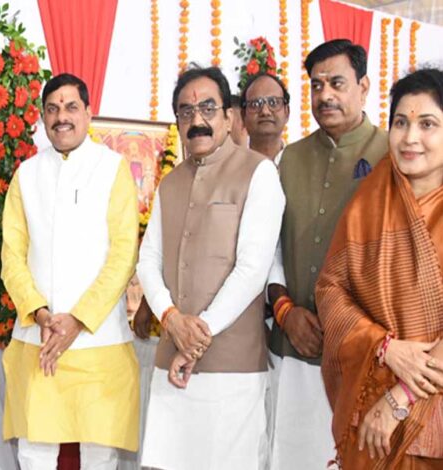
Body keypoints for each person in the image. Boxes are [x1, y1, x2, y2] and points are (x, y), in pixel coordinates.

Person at [137, 66, 284, 470]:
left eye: (207, 108)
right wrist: (171, 318)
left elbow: (252, 269)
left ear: (229, 116)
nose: (197, 119)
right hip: (171, 362)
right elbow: (148, 260)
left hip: (231, 368)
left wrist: (197, 336)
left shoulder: (259, 173)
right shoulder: (170, 183)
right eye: (186, 111)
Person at [1, 73, 140, 469]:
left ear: (88, 113)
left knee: (100, 453)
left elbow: (123, 253)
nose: (61, 117)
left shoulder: (112, 168)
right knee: (34, 451)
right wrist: (41, 313)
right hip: (38, 337)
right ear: (43, 117)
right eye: (52, 109)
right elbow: (12, 255)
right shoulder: (27, 174)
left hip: (99, 339)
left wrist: (78, 320)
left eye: (71, 107)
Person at [266, 39, 388, 470]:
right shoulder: (290, 159)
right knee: (289, 457)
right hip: (291, 348)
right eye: (316, 85)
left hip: (362, 357)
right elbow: (271, 247)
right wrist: (285, 312)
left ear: (364, 87)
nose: (325, 95)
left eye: (337, 83)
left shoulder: (392, 155)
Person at [317, 67, 443, 469]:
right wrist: (385, 348)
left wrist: (401, 396)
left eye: (427, 124)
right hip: (369, 411)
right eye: (400, 122)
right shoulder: (367, 201)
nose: (410, 137)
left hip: (429, 418)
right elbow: (330, 289)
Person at [240, 73, 290, 163]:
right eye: (255, 104)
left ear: (287, 112)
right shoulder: (231, 166)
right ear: (243, 115)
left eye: (273, 102)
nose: (265, 112)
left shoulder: (301, 162)